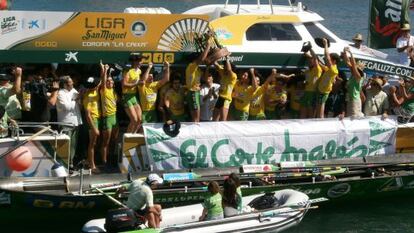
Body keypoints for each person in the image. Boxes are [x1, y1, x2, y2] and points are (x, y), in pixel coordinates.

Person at [56, 75, 83, 170]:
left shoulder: (73, 90)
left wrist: (77, 99)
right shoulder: (60, 93)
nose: (72, 83)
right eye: (70, 82)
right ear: (65, 84)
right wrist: (74, 100)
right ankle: (64, 165)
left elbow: (79, 102)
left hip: (76, 121)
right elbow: (66, 107)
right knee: (66, 145)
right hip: (66, 123)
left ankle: (70, 164)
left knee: (73, 145)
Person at [185, 35, 213, 122]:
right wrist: (208, 45)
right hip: (192, 92)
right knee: (196, 119)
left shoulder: (197, 70)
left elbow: (205, 78)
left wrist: (208, 67)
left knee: (197, 118)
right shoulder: (191, 66)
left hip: (196, 92)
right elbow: (202, 59)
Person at [100, 62, 119, 168]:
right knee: (105, 142)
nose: (109, 82)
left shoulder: (114, 92)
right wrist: (105, 71)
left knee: (114, 141)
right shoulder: (104, 90)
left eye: (111, 81)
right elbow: (103, 81)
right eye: (108, 81)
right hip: (107, 118)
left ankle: (111, 159)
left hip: (115, 117)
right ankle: (104, 162)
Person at [316, 38, 340, 118]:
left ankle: (321, 122)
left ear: (334, 61)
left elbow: (327, 56)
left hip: (324, 92)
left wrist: (326, 44)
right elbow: (321, 64)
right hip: (321, 90)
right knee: (319, 107)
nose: (327, 60)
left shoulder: (333, 70)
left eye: (330, 59)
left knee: (321, 108)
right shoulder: (329, 69)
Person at [82, 76, 101, 173]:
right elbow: (88, 115)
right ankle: (92, 166)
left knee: (94, 143)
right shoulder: (87, 97)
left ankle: (88, 161)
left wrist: (104, 70)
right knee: (92, 144)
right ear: (93, 87)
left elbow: (101, 81)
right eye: (96, 84)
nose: (98, 85)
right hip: (92, 120)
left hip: (97, 119)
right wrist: (94, 128)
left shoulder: (94, 91)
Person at [123, 53, 144, 133]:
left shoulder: (139, 71)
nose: (141, 63)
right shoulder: (127, 71)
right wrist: (136, 84)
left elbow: (138, 83)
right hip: (127, 96)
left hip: (134, 96)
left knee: (139, 119)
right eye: (140, 61)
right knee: (134, 119)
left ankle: (133, 135)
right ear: (135, 62)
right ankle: (127, 138)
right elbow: (124, 84)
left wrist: (140, 83)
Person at [343, 47, 365, 118]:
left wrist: (351, 54)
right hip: (351, 100)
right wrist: (345, 52)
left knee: (353, 119)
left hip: (354, 101)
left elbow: (353, 65)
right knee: (350, 118)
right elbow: (347, 62)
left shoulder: (359, 76)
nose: (352, 68)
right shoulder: (353, 75)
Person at [300, 48, 322, 118]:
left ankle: (310, 124)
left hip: (313, 92)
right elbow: (311, 58)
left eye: (311, 60)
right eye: (309, 60)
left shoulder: (317, 69)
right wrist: (306, 53)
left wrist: (310, 48)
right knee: (302, 109)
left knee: (311, 111)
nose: (309, 61)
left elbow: (315, 57)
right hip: (306, 92)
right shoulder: (308, 70)